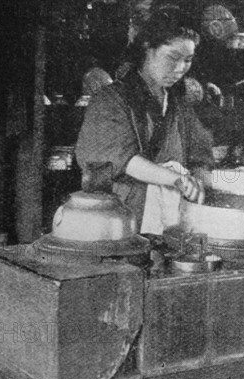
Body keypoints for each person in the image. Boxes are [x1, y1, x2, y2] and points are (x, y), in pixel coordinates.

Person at [75, 6, 214, 235]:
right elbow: (121, 159)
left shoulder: (179, 106)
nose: (180, 69)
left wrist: (199, 181)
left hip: (172, 224)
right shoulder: (110, 100)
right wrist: (176, 179)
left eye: (188, 60)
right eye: (172, 57)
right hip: (120, 220)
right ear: (148, 48)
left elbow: (200, 157)